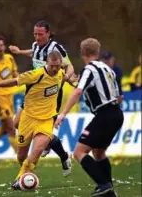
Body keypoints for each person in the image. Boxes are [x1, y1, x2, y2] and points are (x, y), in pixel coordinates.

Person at [0, 51, 77, 189]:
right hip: (28, 118)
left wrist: (73, 80)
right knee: (21, 157)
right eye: (52, 66)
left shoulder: (60, 73)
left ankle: (19, 180)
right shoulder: (35, 75)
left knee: (38, 149)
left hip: (46, 119)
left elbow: (64, 77)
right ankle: (27, 174)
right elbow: (15, 81)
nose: (55, 69)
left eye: (58, 66)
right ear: (46, 63)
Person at [55, 38, 124, 197]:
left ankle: (103, 184)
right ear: (97, 52)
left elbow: (79, 92)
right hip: (116, 113)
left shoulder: (89, 69)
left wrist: (63, 113)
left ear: (82, 53)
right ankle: (109, 192)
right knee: (99, 153)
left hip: (104, 115)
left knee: (79, 152)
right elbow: (119, 96)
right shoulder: (108, 69)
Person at [9, 20, 74, 176]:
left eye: (40, 34)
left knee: (42, 133)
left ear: (48, 33)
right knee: (16, 123)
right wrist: (19, 52)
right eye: (35, 34)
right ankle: (45, 143)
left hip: (49, 96)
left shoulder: (56, 48)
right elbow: (33, 51)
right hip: (33, 94)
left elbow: (69, 66)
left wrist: (66, 78)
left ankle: (64, 156)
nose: (37, 37)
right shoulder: (35, 45)